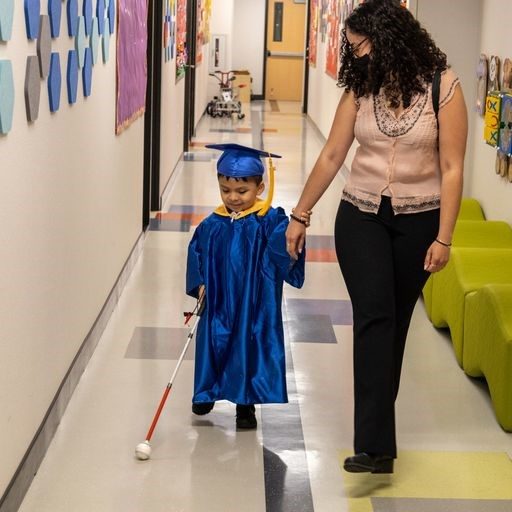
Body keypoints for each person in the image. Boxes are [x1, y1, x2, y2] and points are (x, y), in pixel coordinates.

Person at [285, 0, 467, 473]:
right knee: (374, 316)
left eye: (362, 45)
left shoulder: (442, 86)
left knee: (395, 324)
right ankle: (372, 445)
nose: (357, 54)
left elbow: (452, 168)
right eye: (352, 47)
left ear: (390, 39)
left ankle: (378, 445)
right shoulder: (360, 88)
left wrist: (444, 238)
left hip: (420, 219)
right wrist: (300, 214)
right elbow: (331, 155)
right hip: (360, 213)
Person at [186, 143, 308, 429]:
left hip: (253, 300)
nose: (233, 197)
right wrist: (200, 283)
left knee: (247, 345)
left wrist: (290, 232)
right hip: (218, 299)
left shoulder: (268, 221)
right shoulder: (211, 224)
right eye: (225, 190)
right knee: (214, 341)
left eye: (242, 191)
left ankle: (245, 405)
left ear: (260, 187)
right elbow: (197, 253)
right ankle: (206, 392)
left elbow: (284, 248)